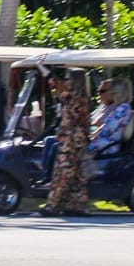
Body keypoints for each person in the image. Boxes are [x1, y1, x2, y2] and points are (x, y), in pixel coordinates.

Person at [41, 70, 92, 216]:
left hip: (72, 142)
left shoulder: (78, 98)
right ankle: (76, 206)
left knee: (63, 173)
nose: (65, 81)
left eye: (68, 78)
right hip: (74, 140)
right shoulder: (74, 97)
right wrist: (43, 69)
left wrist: (46, 71)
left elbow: (58, 87)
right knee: (77, 175)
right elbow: (58, 88)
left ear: (75, 81)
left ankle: (52, 207)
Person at [90, 78, 134, 165]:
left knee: (80, 148)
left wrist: (93, 137)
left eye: (111, 91)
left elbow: (109, 129)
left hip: (110, 145)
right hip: (109, 142)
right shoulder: (123, 107)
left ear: (117, 93)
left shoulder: (121, 109)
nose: (109, 94)